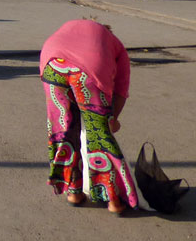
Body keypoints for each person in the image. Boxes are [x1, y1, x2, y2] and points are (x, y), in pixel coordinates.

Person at [40, 18, 138, 214]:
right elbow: (120, 90)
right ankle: (113, 200)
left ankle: (73, 192)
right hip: (89, 71)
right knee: (98, 135)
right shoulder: (115, 45)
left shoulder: (69, 27)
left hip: (53, 64)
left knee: (63, 131)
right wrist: (113, 119)